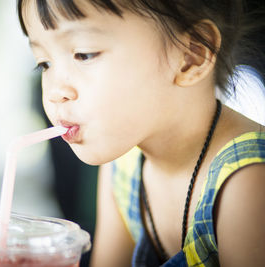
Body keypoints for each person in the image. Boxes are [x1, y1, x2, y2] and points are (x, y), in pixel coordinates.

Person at [16, 0, 265, 266]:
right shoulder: (124, 165)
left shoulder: (246, 181)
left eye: (84, 54)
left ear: (191, 55)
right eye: (44, 63)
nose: (55, 92)